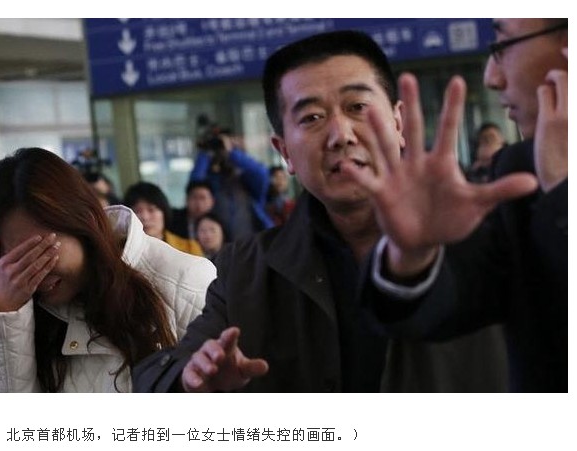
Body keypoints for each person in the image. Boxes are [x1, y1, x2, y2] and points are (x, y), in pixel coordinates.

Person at [133, 30, 457, 392]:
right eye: (312, 117)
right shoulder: (245, 273)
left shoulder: (481, 239)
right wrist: (193, 382)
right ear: (284, 151)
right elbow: (157, 377)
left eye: (357, 107)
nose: (341, 135)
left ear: (397, 123)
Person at [352, 19, 567, 392]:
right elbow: (446, 305)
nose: (491, 78)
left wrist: (564, 195)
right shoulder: (520, 172)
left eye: (503, 46)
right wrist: (412, 256)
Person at [0, 148, 216, 392]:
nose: (34, 272)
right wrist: (6, 316)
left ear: (84, 222)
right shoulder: (11, 308)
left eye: (42, 250)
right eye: (16, 260)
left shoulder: (185, 280)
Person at [190, 123, 273, 242]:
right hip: (219, 246)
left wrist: (232, 151)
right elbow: (195, 185)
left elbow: (261, 173)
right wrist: (206, 151)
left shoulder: (245, 182)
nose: (221, 153)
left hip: (251, 243)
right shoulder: (209, 181)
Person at [123, 181, 204, 257]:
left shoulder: (190, 249)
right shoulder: (121, 251)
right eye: (137, 211)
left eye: (151, 210)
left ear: (164, 212)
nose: (145, 217)